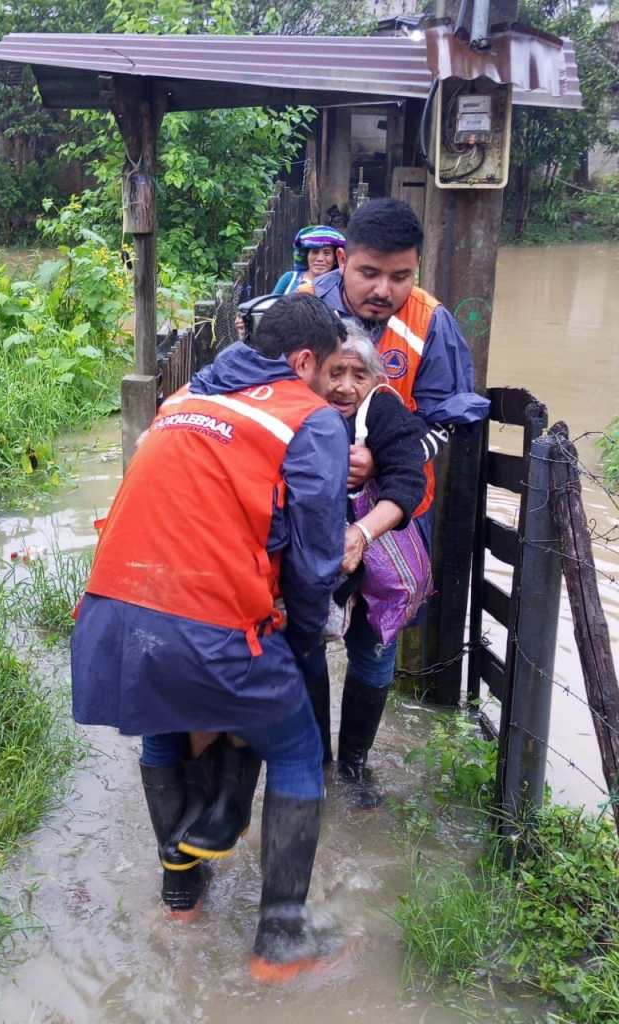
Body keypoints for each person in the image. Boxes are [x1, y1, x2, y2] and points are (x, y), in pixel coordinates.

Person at [71, 293, 351, 982]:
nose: (328, 391)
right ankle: (282, 938)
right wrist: (304, 645)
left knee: (164, 723)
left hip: (111, 616)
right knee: (292, 745)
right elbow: (315, 566)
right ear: (304, 361)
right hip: (208, 627)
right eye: (325, 375)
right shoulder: (308, 420)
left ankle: (181, 899)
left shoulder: (182, 402)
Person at [314, 198, 490, 806]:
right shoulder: (306, 312)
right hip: (311, 516)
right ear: (343, 260)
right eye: (369, 273)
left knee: (377, 641)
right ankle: (314, 759)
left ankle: (355, 765)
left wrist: (386, 459)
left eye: (400, 275)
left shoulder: (433, 322)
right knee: (306, 634)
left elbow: (446, 416)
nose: (384, 290)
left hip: (395, 519)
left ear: (418, 267)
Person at [301, 324, 428, 774]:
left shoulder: (384, 411)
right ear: (313, 370)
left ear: (376, 380)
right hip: (316, 562)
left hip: (377, 561)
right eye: (336, 372)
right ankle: (314, 763)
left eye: (359, 375)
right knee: (307, 652)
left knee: (373, 658)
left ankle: (354, 764)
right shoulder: (295, 408)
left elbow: (409, 480)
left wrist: (362, 533)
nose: (345, 387)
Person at [272, 224, 346, 295]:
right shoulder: (290, 278)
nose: (320, 259)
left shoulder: (340, 284)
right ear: (306, 255)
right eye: (315, 252)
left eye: (327, 253)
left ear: (336, 258)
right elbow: (270, 306)